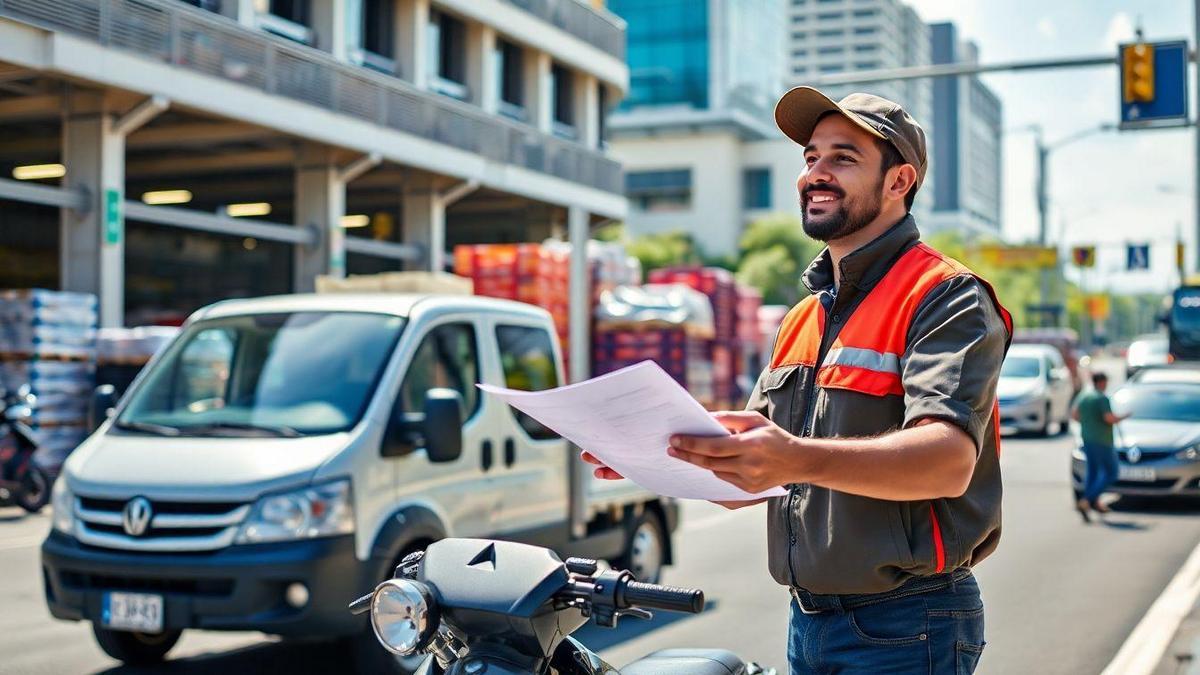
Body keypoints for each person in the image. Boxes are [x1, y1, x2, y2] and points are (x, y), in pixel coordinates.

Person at [584, 87, 1012, 675]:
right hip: (809, 622)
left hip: (909, 624)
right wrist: (652, 458)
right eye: (811, 157)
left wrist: (795, 460)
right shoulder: (803, 317)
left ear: (899, 181)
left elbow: (946, 461)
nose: (816, 173)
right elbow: (756, 474)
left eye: (843, 157)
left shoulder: (945, 295)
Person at [1071, 372, 1128, 521]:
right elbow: (1109, 418)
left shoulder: (1084, 397)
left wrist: (1089, 423)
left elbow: (1075, 416)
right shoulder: (1102, 398)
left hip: (1087, 439)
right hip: (1103, 441)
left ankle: (1092, 501)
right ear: (1102, 382)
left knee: (1093, 472)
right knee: (1111, 472)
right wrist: (1124, 417)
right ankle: (1087, 500)